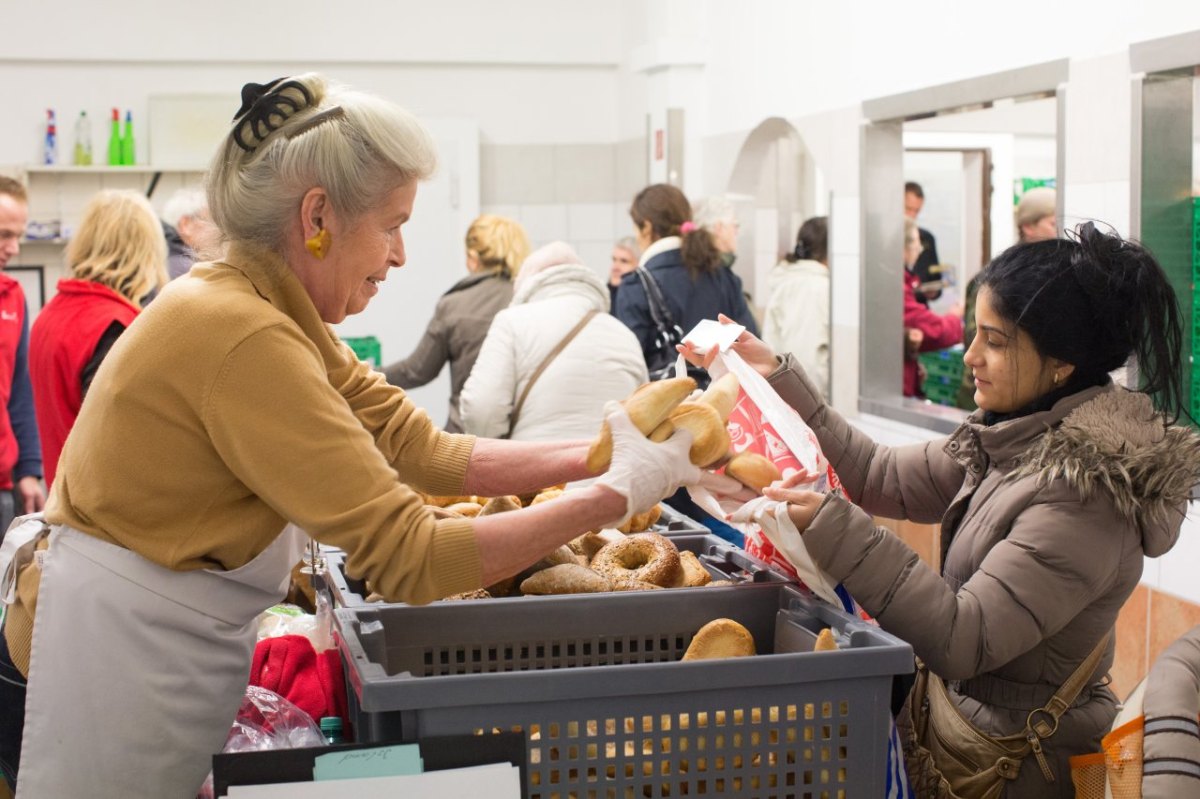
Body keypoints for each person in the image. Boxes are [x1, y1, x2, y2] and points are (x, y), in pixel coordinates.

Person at [0, 75, 700, 799]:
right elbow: (410, 556)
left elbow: (421, 447)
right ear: (317, 217)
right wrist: (611, 495)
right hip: (106, 663)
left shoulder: (270, 303)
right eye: (392, 224)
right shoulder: (241, 333)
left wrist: (603, 452)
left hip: (147, 650)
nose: (398, 255)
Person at [686, 222, 1200, 797]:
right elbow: (878, 475)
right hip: (954, 734)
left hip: (1015, 769)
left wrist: (835, 525)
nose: (971, 356)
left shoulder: (1085, 496)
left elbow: (965, 639)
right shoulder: (1011, 437)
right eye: (972, 333)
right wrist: (776, 376)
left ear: (1061, 364)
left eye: (996, 342)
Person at [29, 189, 168, 488]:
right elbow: (127, 442)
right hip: (104, 512)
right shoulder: (114, 327)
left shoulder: (49, 314)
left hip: (64, 501)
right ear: (144, 252)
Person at [459, 241, 647, 441]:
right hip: (615, 468)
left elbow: (482, 409)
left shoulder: (511, 323)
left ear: (527, 282)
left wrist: (494, 453)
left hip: (532, 467)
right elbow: (645, 416)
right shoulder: (624, 335)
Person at [383, 214, 529, 432]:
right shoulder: (531, 299)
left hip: (466, 436)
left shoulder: (454, 304)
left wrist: (361, 375)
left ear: (472, 257)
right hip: (521, 436)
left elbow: (416, 371)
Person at [615, 183, 759, 384]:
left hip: (671, 409)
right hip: (727, 403)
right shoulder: (723, 276)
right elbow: (749, 343)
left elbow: (630, 365)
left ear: (646, 227)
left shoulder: (636, 287)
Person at [955, 187, 1058, 409]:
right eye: (1052, 223)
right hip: (985, 397)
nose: (1059, 230)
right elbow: (980, 337)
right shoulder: (1001, 279)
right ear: (1028, 227)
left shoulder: (1054, 277)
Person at [0, 177, 44, 537]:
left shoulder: (13, 297)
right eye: (3, 235)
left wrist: (29, 469)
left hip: (4, 483)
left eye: (17, 235)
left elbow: (19, 391)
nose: (13, 248)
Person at [762, 216, 830, 398]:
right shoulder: (816, 288)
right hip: (806, 406)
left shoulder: (786, 281)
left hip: (782, 396)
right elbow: (808, 359)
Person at [902, 217, 962, 397]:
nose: (918, 253)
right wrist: (954, 317)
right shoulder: (894, 286)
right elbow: (936, 331)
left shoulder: (903, 281)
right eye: (916, 247)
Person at [161, 186, 220, 280]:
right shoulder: (185, 271)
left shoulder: (163, 258)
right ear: (186, 224)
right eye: (209, 221)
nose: (216, 230)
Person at [905, 181, 942, 302]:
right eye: (908, 209)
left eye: (917, 211)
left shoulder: (927, 238)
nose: (912, 215)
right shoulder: (886, 242)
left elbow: (937, 280)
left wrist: (933, 292)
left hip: (920, 307)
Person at [692, 195, 740, 269]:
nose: (737, 232)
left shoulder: (691, 267)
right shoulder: (714, 275)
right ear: (719, 228)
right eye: (735, 225)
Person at [608, 236, 640, 311]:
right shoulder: (603, 300)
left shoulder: (642, 305)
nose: (615, 267)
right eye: (614, 260)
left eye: (624, 261)